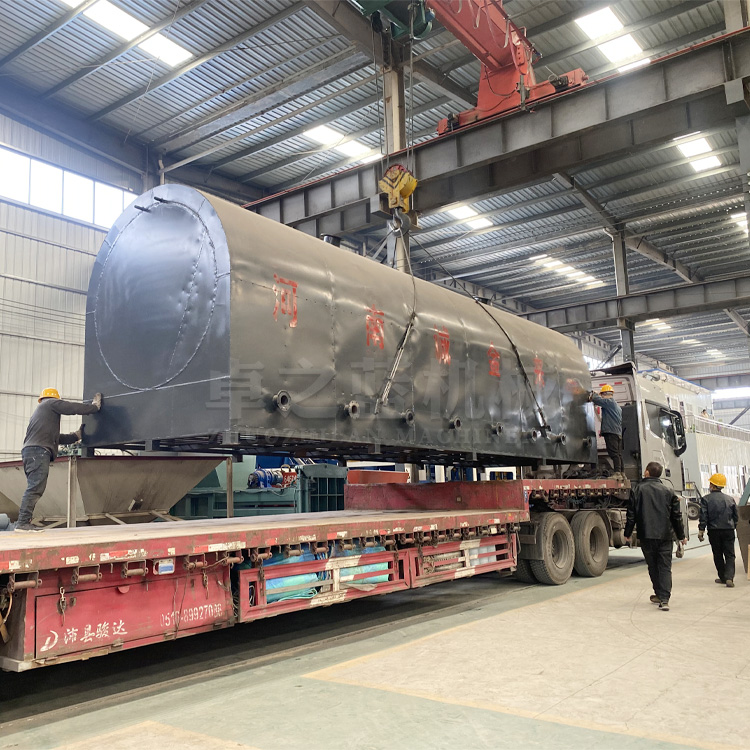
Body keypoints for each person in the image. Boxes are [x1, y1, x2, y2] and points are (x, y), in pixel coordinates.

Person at [15, 388, 102, 532]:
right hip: (38, 452)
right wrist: (93, 408)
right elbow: (71, 407)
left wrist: (76, 436)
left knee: (34, 487)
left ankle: (23, 522)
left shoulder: (41, 415)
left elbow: (56, 438)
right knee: (35, 488)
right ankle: (23, 522)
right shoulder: (49, 403)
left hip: (32, 452)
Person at [624, 461, 687, 611]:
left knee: (652, 566)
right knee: (665, 567)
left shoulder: (637, 490)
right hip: (665, 536)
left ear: (647, 472)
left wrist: (627, 533)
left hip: (646, 535)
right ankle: (664, 599)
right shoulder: (669, 491)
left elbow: (631, 515)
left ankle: (658, 593)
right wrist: (681, 536)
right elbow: (676, 517)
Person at [697, 473, 738, 587]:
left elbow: (704, 516)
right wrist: (733, 526)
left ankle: (723, 577)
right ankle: (729, 577)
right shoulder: (730, 499)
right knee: (730, 554)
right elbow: (736, 516)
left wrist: (701, 530)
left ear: (712, 485)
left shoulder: (706, 499)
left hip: (714, 531)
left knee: (717, 554)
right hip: (728, 530)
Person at [590, 384, 624, 477]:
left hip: (611, 432)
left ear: (605, 394)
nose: (601, 396)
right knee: (618, 454)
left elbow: (596, 400)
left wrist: (594, 394)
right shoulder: (617, 406)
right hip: (617, 432)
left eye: (602, 395)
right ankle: (622, 473)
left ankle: (617, 473)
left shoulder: (609, 402)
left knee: (613, 453)